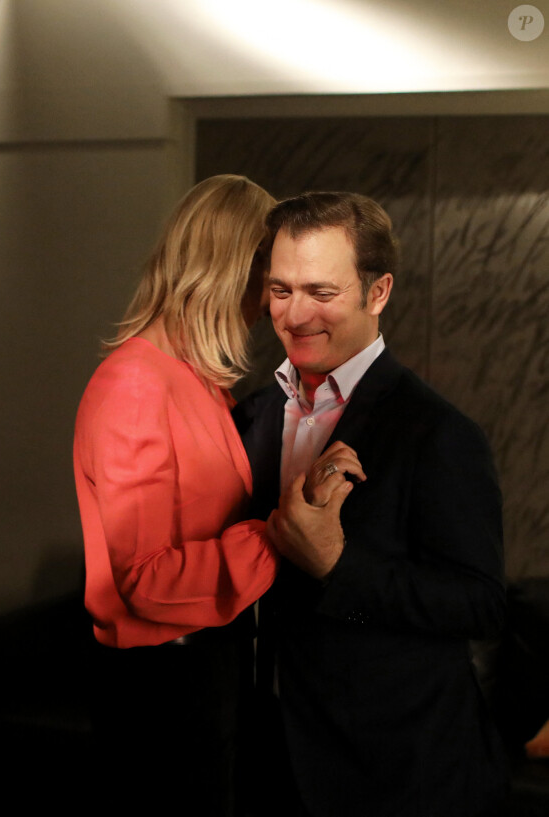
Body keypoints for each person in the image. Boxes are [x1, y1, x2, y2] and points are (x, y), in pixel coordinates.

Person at [233, 191, 509, 817]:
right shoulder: (248, 415)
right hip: (271, 765)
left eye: (321, 293)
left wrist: (336, 562)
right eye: (280, 290)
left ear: (377, 292)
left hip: (401, 775)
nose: (296, 315)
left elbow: (482, 605)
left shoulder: (439, 432)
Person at [73, 175, 279, 815]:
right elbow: (145, 578)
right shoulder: (137, 384)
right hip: (163, 685)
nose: (271, 305)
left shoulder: (193, 381)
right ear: (231, 273)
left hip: (204, 669)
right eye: (267, 282)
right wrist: (280, 537)